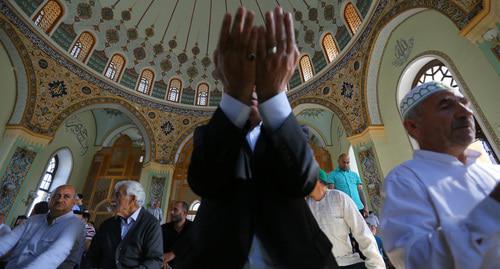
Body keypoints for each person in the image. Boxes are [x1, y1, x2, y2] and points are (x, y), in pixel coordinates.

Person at [182, 6, 336, 269]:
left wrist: (274, 96)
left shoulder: (294, 134)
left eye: (259, 81)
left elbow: (304, 179)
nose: (253, 86)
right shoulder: (211, 134)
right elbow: (204, 180)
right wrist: (233, 96)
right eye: (248, 80)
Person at [380, 81, 500, 269]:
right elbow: (415, 261)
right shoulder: (405, 180)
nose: (466, 112)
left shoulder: (492, 171)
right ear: (412, 126)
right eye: (446, 105)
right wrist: (492, 207)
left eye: (464, 103)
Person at [308, 169, 385, 269]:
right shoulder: (305, 207)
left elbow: (362, 232)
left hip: (346, 262)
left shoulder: (339, 198)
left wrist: (376, 265)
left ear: (317, 181)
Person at [0, 185, 85, 269]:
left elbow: (53, 256)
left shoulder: (75, 225)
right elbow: (7, 241)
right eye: (56, 196)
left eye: (66, 197)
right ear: (50, 200)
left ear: (74, 202)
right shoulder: (33, 220)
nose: (59, 200)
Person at [83, 180, 163, 269]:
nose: (113, 200)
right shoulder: (107, 225)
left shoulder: (151, 224)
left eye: (118, 195)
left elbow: (155, 260)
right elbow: (92, 256)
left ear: (132, 199)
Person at [161, 201, 193, 269]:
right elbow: (158, 248)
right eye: (171, 209)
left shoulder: (193, 229)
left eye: (175, 210)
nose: (171, 212)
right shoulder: (163, 228)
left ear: (184, 213)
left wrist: (174, 253)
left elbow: (193, 249)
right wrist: (162, 261)